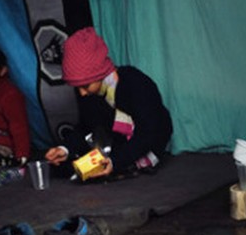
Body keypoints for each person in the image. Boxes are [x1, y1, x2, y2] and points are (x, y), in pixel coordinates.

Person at [43, 27, 172, 179]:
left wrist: (116, 162)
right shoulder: (92, 94)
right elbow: (85, 128)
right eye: (77, 88)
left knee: (108, 168)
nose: (82, 93)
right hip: (119, 143)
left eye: (85, 86)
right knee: (70, 169)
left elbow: (148, 132)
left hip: (150, 141)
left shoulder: (136, 84)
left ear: (100, 74)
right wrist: (64, 149)